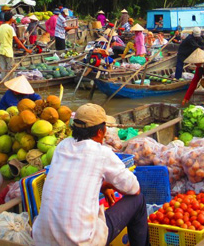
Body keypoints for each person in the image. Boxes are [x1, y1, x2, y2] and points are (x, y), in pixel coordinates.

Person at [33, 103, 149, 245]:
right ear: (100, 132)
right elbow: (134, 189)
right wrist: (109, 184)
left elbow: (75, 179)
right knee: (138, 200)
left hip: (43, 239)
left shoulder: (62, 146)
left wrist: (104, 186)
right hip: (81, 242)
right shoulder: (101, 153)